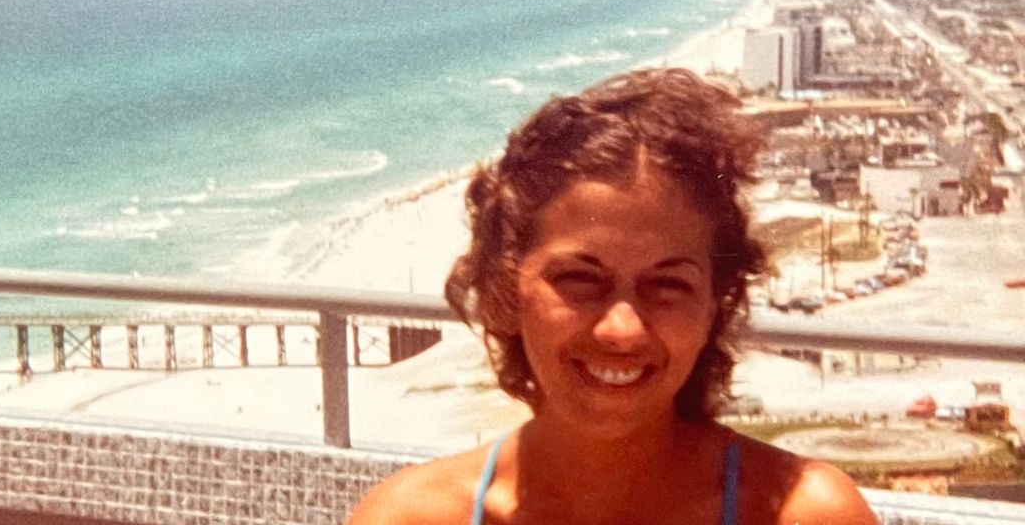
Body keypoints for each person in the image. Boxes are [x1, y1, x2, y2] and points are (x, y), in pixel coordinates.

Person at [349, 68, 876, 524]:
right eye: (580, 279)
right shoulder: (410, 517)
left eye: (667, 285)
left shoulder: (806, 514)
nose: (622, 328)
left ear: (715, 306)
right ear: (506, 289)